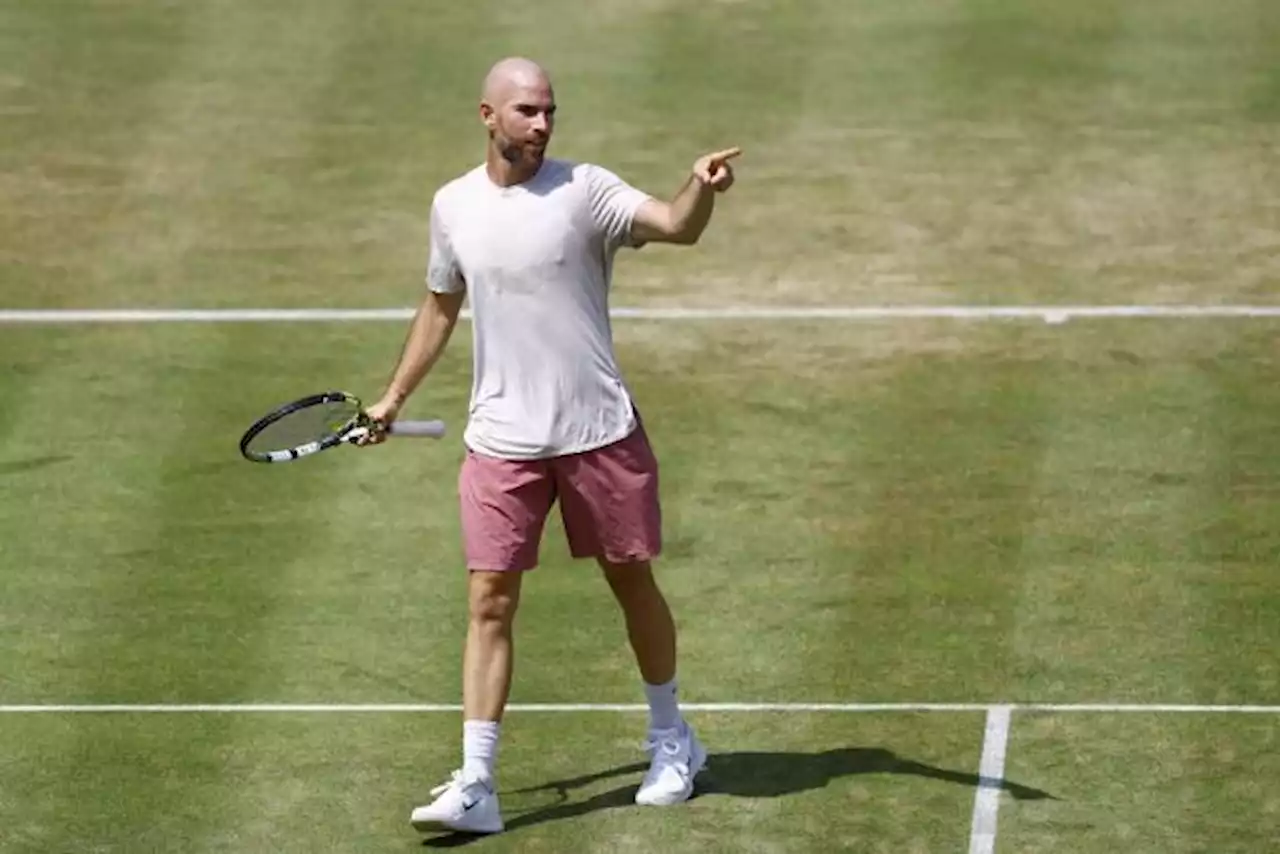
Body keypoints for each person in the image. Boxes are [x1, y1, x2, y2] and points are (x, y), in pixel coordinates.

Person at [358, 56, 741, 836]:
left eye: (549, 112)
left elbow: (674, 227)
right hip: (502, 439)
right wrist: (393, 396)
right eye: (527, 112)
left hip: (598, 429)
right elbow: (439, 307)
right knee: (488, 600)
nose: (542, 125)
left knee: (631, 582)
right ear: (488, 116)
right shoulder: (453, 206)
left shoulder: (586, 191)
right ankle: (478, 782)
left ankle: (674, 741)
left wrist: (699, 187)